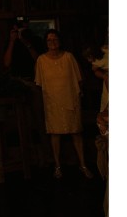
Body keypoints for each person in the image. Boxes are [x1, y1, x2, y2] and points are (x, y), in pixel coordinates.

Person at [34, 29, 91, 180]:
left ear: (59, 41)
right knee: (55, 133)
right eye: (49, 40)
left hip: (70, 99)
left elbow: (78, 78)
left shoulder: (68, 57)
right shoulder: (41, 60)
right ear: (45, 43)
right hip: (52, 102)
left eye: (55, 39)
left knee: (76, 131)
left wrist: (79, 94)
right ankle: (57, 166)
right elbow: (39, 83)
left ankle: (83, 164)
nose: (52, 43)